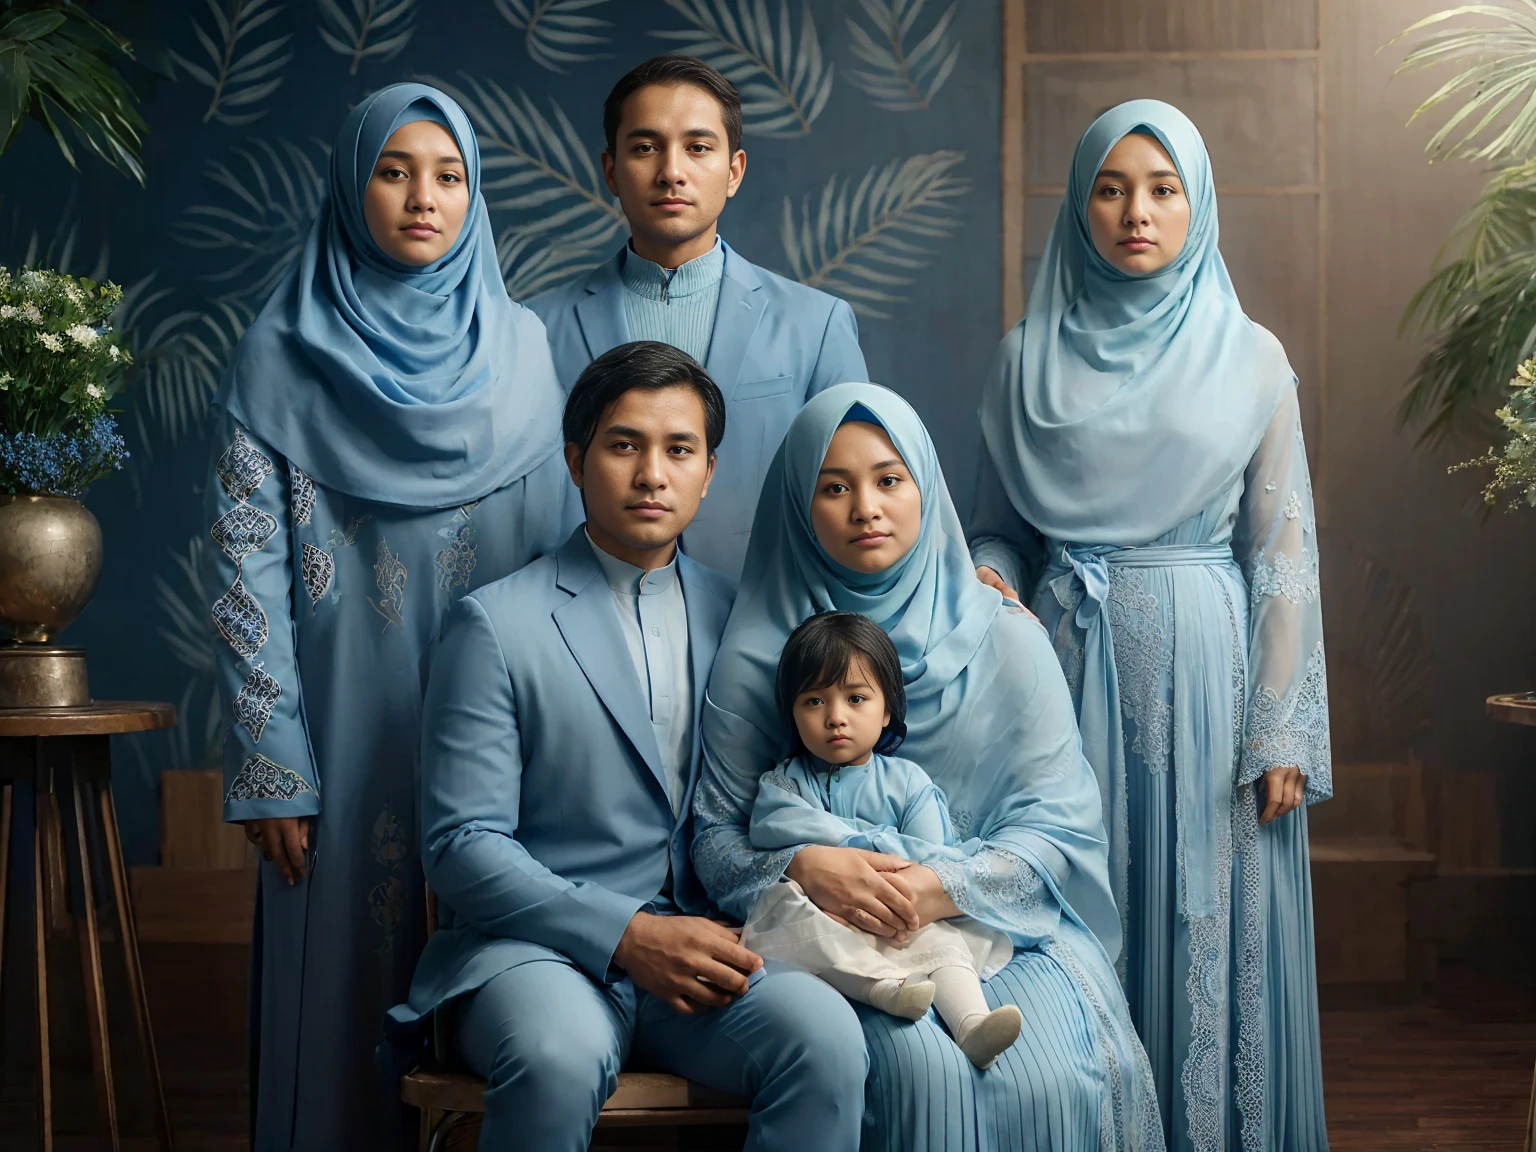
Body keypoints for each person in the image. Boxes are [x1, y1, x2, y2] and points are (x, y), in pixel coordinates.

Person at [208, 84, 573, 1149]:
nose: (424, 198)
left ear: (475, 197)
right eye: (394, 170)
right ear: (349, 182)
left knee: (500, 969)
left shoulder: (524, 349)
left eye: (449, 176)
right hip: (338, 723)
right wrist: (274, 764)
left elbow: (559, 560)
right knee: (340, 981)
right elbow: (244, 576)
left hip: (498, 722)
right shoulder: (279, 352)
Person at [390, 341, 868, 1152]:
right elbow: (461, 847)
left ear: (709, 471)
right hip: (535, 955)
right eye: (624, 446)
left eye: (679, 450)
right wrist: (627, 935)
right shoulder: (496, 625)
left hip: (709, 948)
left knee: (824, 1036)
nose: (653, 474)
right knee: (557, 1055)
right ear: (576, 461)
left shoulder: (746, 620)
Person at [968, 100, 1332, 1151]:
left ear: (1199, 205)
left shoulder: (1252, 358)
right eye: (1112, 188)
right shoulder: (1022, 360)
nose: (1138, 212)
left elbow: (1283, 551)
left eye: (1164, 189)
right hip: (1057, 679)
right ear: (1079, 206)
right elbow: (995, 531)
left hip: (1211, 691)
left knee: (1203, 923)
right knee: (1071, 920)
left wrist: (1280, 729)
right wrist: (994, 580)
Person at [695, 383, 1164, 1150]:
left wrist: (941, 887)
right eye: (834, 487)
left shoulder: (1006, 636)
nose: (865, 509)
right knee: (919, 1072)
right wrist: (806, 867)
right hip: (829, 945)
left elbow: (1057, 826)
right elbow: (715, 841)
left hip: (997, 927)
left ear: (926, 486)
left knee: (1052, 1074)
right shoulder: (757, 656)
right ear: (797, 504)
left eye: (889, 480)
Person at [529, 55, 868, 581]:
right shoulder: (536, 329)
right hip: (581, 625)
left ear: (733, 171)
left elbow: (862, 487)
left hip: (769, 621)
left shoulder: (817, 325)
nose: (671, 172)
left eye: (698, 147)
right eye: (645, 148)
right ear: (611, 171)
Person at [741, 610, 1022, 1069]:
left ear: (887, 708)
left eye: (855, 699)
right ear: (791, 712)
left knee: (945, 941)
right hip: (825, 913)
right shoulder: (785, 782)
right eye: (813, 701)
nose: (835, 718)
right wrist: (877, 844)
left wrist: (860, 852)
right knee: (790, 910)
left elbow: (936, 856)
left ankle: (972, 1024)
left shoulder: (908, 782)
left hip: (896, 911)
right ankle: (886, 993)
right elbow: (775, 827)